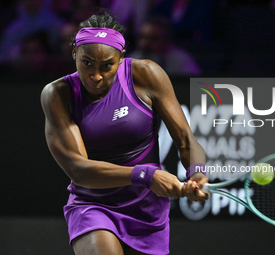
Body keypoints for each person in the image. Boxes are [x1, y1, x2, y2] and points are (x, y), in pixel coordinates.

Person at [41, 9, 208, 255]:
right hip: (93, 205)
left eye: (106, 66)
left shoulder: (147, 74)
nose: (95, 75)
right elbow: (78, 169)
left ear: (121, 58)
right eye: (87, 63)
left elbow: (185, 140)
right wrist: (146, 176)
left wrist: (197, 172)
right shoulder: (57, 95)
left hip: (148, 210)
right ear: (75, 53)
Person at [128, 17, 201, 76]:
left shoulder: (182, 60)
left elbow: (198, 90)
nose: (146, 43)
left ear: (166, 41)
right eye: (142, 37)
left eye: (153, 39)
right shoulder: (132, 60)